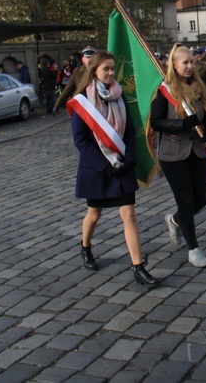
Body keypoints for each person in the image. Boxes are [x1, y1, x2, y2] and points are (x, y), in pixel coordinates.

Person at [68, 51, 160, 287]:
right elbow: (81, 141)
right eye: (105, 69)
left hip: (121, 166)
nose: (110, 73)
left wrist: (129, 159)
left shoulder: (120, 96)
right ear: (94, 71)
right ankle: (85, 247)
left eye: (112, 68)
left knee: (129, 214)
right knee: (94, 214)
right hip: (98, 169)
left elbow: (129, 132)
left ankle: (138, 267)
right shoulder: (82, 101)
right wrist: (104, 165)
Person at [150, 45, 206, 268]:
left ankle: (175, 220)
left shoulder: (199, 86)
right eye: (185, 63)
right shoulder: (164, 90)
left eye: (191, 62)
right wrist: (181, 124)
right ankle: (194, 249)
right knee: (186, 201)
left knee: (201, 200)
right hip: (173, 154)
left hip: (197, 151)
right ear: (174, 65)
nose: (190, 66)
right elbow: (156, 121)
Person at [53, 46, 96, 115]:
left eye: (92, 58)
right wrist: (57, 105)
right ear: (83, 59)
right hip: (80, 106)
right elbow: (68, 88)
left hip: (95, 107)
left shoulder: (100, 71)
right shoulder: (77, 71)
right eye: (88, 57)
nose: (90, 60)